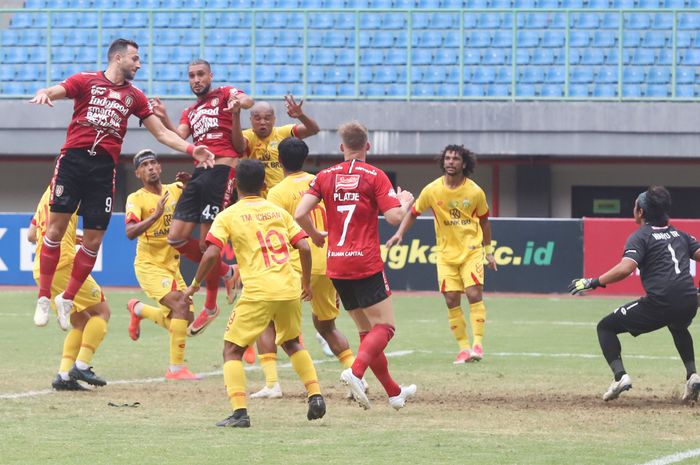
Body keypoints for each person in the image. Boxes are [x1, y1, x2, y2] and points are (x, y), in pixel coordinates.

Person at [30, 39, 215, 329]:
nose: (139, 64)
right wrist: (45, 92)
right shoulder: (86, 80)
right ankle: (43, 298)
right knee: (54, 229)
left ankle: (65, 298)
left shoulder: (135, 96)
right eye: (135, 58)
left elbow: (163, 135)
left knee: (92, 241)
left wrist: (192, 150)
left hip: (103, 169)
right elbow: (59, 90)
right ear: (118, 58)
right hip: (74, 161)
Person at [185, 159, 326, 428]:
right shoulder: (278, 212)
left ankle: (239, 413)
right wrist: (306, 284)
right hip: (288, 287)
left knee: (231, 350)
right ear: (264, 185)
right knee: (292, 342)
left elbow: (211, 252)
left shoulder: (228, 215)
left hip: (259, 291)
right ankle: (315, 394)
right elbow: (305, 248)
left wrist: (193, 285)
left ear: (235, 184)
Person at [294, 121, 417, 411]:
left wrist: (315, 235)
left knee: (366, 332)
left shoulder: (325, 175)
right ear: (368, 147)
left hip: (336, 263)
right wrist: (404, 200)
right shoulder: (374, 175)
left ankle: (394, 392)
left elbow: (300, 213)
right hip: (364, 261)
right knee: (385, 327)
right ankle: (356, 373)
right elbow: (394, 217)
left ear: (341, 148)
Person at [569, 186, 700, 402]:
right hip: (689, 301)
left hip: (661, 303)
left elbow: (625, 268)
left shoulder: (641, 237)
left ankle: (620, 377)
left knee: (606, 326)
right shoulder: (681, 234)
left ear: (640, 212)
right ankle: (692, 375)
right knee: (678, 326)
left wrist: (593, 282)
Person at [151, 58, 253, 337]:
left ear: (210, 75)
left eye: (200, 74)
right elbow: (179, 137)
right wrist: (163, 118)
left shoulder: (225, 94)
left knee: (208, 242)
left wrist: (238, 105)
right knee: (176, 237)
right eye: (191, 76)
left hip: (223, 170)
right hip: (200, 172)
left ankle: (210, 305)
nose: (196, 79)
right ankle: (227, 272)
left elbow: (249, 100)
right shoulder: (190, 111)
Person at [251, 137, 359, 399]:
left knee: (266, 322)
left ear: (279, 161)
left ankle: (272, 384)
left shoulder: (277, 192)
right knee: (327, 327)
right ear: (306, 157)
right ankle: (357, 378)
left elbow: (276, 234)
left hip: (296, 265)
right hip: (330, 261)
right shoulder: (322, 181)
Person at [386, 145, 497, 364]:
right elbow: (414, 212)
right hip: (446, 255)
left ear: (464, 163)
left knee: (474, 293)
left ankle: (477, 345)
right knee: (451, 299)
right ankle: (463, 349)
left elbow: (484, 221)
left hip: (471, 251)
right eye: (447, 158)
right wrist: (399, 233)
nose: (450, 162)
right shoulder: (432, 189)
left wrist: (488, 251)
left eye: (455, 159)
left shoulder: (475, 191)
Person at [124, 149, 203, 380]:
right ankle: (176, 369)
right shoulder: (136, 199)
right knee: (180, 305)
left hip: (172, 264)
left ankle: (138, 309)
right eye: (144, 165)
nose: (150, 167)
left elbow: (200, 202)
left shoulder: (175, 190)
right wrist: (154, 216)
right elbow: (129, 232)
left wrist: (191, 187)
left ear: (159, 167)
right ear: (138, 173)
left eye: (153, 163)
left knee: (186, 322)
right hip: (149, 265)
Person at [29, 186, 110, 389]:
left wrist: (72, 237)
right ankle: (82, 365)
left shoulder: (46, 196)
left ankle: (64, 376)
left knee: (80, 322)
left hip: (43, 268)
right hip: (63, 264)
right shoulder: (70, 193)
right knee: (101, 312)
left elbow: (32, 235)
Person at [233, 95, 319, 197]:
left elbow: (314, 130)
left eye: (267, 118)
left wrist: (301, 115)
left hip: (283, 195)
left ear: (274, 120)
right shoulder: (246, 136)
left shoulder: (283, 133)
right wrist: (236, 115)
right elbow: (239, 147)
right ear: (250, 120)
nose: (262, 122)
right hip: (258, 198)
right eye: (257, 119)